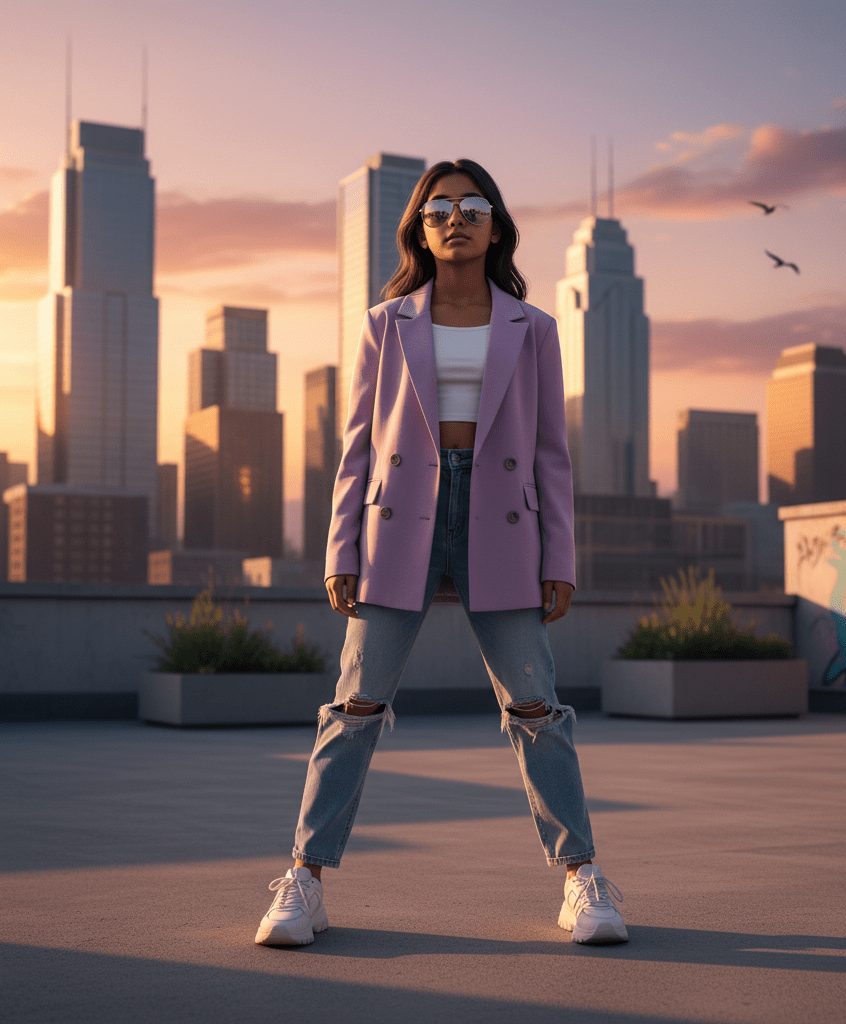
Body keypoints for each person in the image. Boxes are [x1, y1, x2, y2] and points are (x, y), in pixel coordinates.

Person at [255, 159, 627, 947]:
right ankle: (304, 881)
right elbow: (355, 446)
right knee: (354, 705)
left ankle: (581, 878)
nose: (455, 218)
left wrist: (560, 555)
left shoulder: (536, 329)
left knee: (536, 706)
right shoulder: (385, 323)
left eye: (473, 205)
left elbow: (552, 454)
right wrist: (339, 547)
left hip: (505, 521)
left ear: (497, 225)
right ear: (420, 228)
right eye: (438, 208)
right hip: (397, 520)